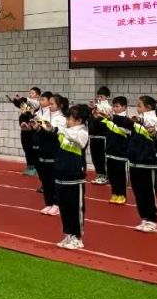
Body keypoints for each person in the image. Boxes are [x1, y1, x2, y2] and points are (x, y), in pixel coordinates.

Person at [117, 96, 157, 232]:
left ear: (148, 107)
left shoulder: (156, 119)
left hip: (147, 162)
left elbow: (150, 123)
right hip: (135, 162)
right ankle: (145, 218)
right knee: (138, 193)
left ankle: (153, 220)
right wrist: (108, 116)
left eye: (140, 105)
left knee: (149, 192)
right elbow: (124, 122)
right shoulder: (136, 121)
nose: (137, 108)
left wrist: (140, 119)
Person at [54, 105, 90, 250]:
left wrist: (60, 129)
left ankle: (77, 237)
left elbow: (77, 140)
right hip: (61, 175)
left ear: (79, 120)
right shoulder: (66, 131)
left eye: (69, 118)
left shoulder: (83, 133)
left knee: (76, 208)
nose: (67, 121)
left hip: (75, 177)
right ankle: (68, 234)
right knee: (64, 208)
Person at [33, 93, 66, 216]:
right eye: (49, 104)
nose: (49, 106)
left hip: (54, 152)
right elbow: (39, 133)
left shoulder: (62, 119)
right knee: (45, 180)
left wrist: (51, 129)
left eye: (52, 104)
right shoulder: (42, 115)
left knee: (54, 180)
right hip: (43, 151)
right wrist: (36, 127)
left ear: (60, 106)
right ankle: (48, 203)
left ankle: (57, 204)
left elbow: (59, 135)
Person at [96, 96, 131, 205]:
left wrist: (111, 119)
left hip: (121, 154)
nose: (115, 108)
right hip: (110, 152)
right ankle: (115, 193)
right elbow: (102, 127)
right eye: (114, 106)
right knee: (112, 175)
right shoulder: (111, 118)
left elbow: (125, 130)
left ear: (124, 107)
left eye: (117, 106)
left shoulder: (127, 120)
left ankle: (122, 195)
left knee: (120, 176)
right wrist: (98, 117)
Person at [12, 87, 42, 176]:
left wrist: (23, 100)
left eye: (32, 93)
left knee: (34, 150)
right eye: (30, 93)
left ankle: (37, 167)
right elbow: (22, 106)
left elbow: (29, 103)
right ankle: (30, 166)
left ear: (38, 95)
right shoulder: (27, 106)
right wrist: (16, 101)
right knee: (27, 149)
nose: (30, 94)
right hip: (25, 131)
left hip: (33, 132)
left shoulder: (37, 104)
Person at [88, 86, 111, 186]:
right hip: (93, 135)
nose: (99, 98)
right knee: (95, 157)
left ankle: (105, 175)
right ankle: (99, 174)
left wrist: (95, 108)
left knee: (102, 156)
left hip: (103, 135)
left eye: (101, 96)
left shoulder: (108, 107)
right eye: (98, 96)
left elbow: (104, 113)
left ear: (107, 97)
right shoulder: (95, 107)